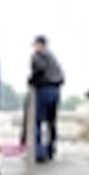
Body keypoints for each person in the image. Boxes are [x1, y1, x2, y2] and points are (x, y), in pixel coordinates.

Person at [28, 35, 64, 163]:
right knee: (51, 121)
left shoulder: (37, 56)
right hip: (56, 89)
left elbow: (39, 69)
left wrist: (31, 81)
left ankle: (39, 152)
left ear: (39, 44)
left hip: (44, 89)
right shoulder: (52, 57)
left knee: (37, 121)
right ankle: (51, 149)